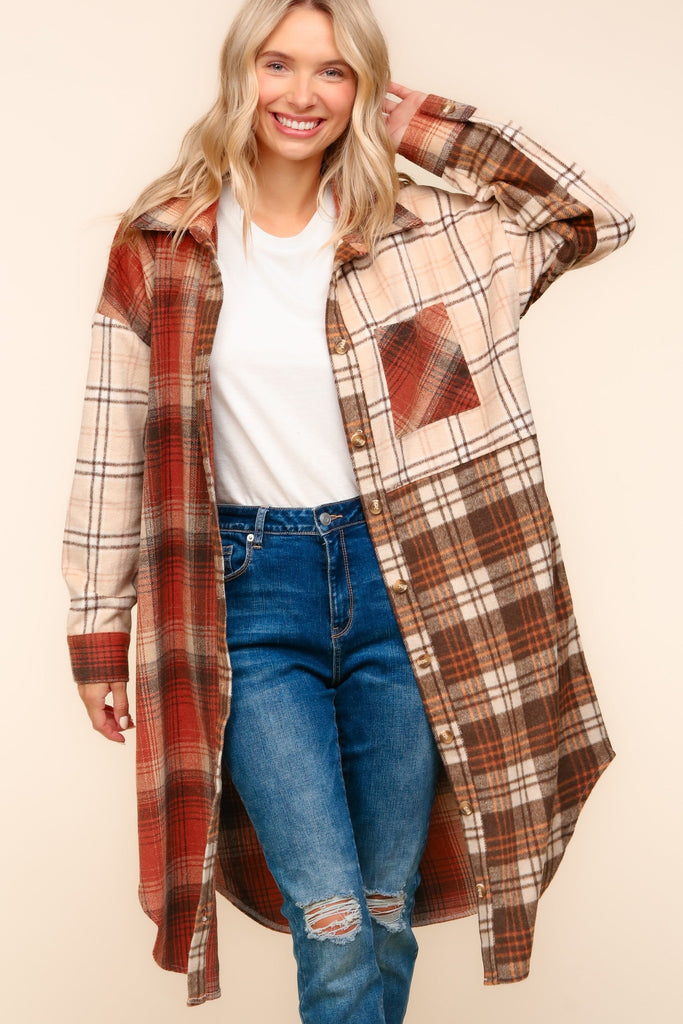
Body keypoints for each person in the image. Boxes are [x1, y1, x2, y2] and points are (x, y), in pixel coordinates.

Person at [62, 0, 634, 1020]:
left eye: (333, 72)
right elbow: (113, 436)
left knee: (383, 909)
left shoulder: (432, 236)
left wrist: (418, 123)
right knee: (330, 924)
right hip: (248, 600)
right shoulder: (163, 244)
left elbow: (592, 215)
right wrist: (97, 625)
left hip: (408, 591)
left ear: (364, 88)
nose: (301, 94)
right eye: (277, 65)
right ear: (238, 74)